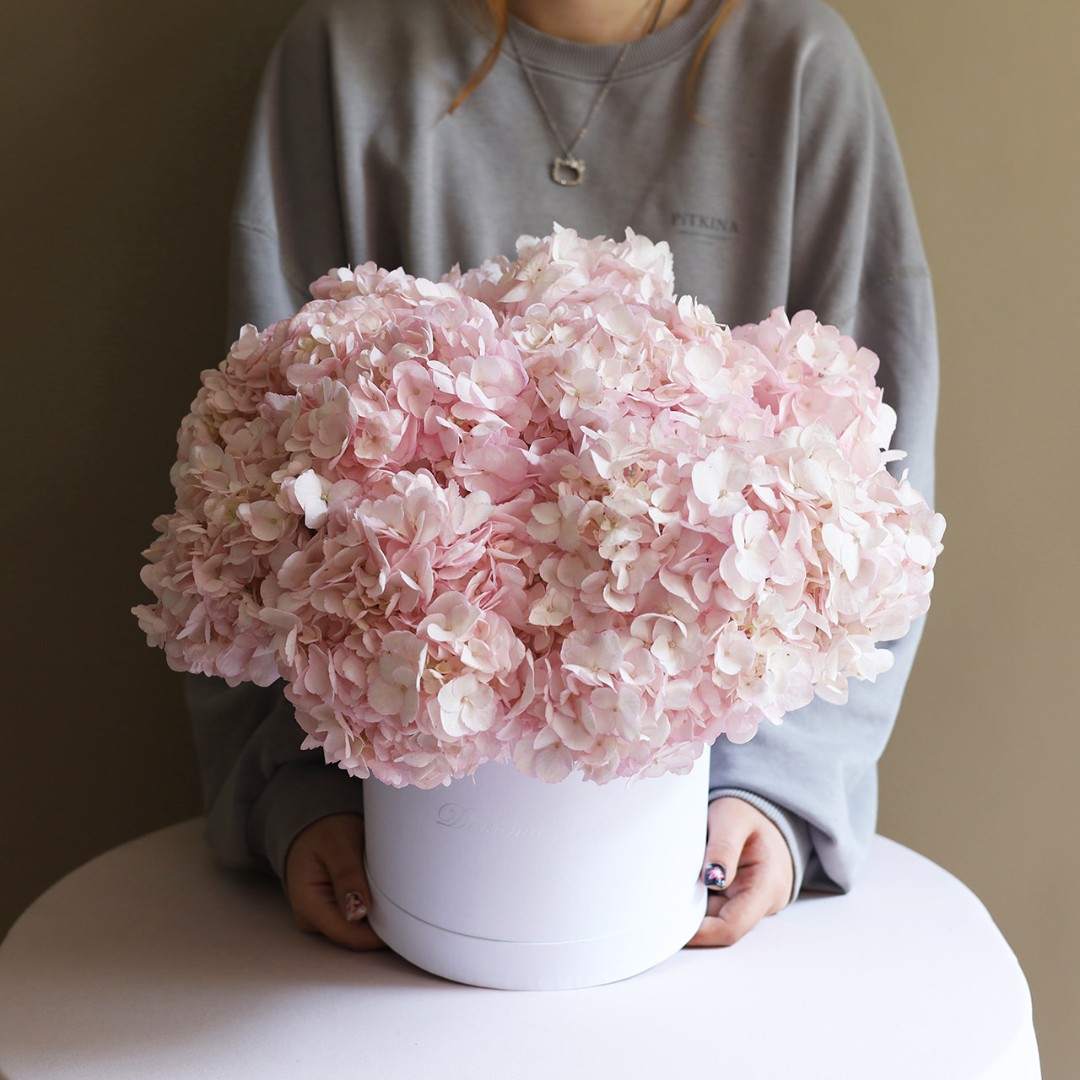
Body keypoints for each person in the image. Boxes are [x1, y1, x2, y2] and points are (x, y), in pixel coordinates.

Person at [189, 0, 937, 954]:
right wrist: (298, 794)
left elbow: (876, 487)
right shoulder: (341, 60)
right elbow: (249, 481)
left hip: (688, 840)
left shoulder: (796, 67)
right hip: (403, 839)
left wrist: (778, 793)